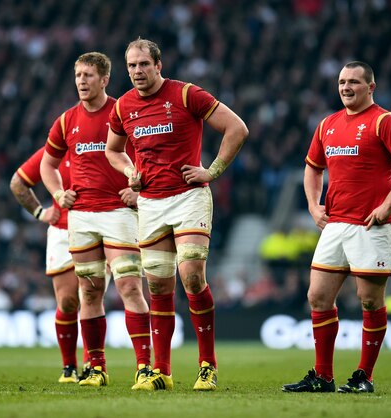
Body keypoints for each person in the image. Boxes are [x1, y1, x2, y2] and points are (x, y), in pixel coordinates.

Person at [105, 38, 249, 391]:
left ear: (158, 65)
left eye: (143, 64)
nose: (137, 71)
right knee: (158, 287)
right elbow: (113, 150)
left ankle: (207, 365)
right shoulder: (123, 106)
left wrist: (212, 171)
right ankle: (162, 372)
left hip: (189, 198)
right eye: (131, 66)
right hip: (151, 203)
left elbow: (237, 128)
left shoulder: (186, 95)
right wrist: (129, 172)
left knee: (192, 276)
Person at [282, 61, 391, 393]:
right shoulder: (327, 124)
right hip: (335, 224)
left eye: (354, 82)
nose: (346, 87)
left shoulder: (384, 121)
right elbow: (312, 168)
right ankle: (323, 376)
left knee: (369, 301)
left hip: (372, 226)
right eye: (342, 82)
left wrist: (387, 204)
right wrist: (313, 204)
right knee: (317, 297)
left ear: (370, 87)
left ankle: (364, 376)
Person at [41, 51, 151, 388]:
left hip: (118, 213)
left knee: (130, 286)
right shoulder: (65, 120)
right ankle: (96, 367)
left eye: (88, 75)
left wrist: (139, 189)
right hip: (82, 217)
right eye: (78, 75)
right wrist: (59, 195)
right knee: (89, 293)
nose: (81, 82)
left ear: (104, 79)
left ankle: (145, 367)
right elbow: (47, 165)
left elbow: (150, 151)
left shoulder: (123, 111)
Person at [10, 147, 91, 383]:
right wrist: (39, 212)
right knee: (67, 302)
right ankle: (69, 367)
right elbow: (18, 183)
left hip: (98, 227)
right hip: (62, 232)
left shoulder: (107, 141)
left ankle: (94, 364)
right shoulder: (56, 149)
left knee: (90, 298)